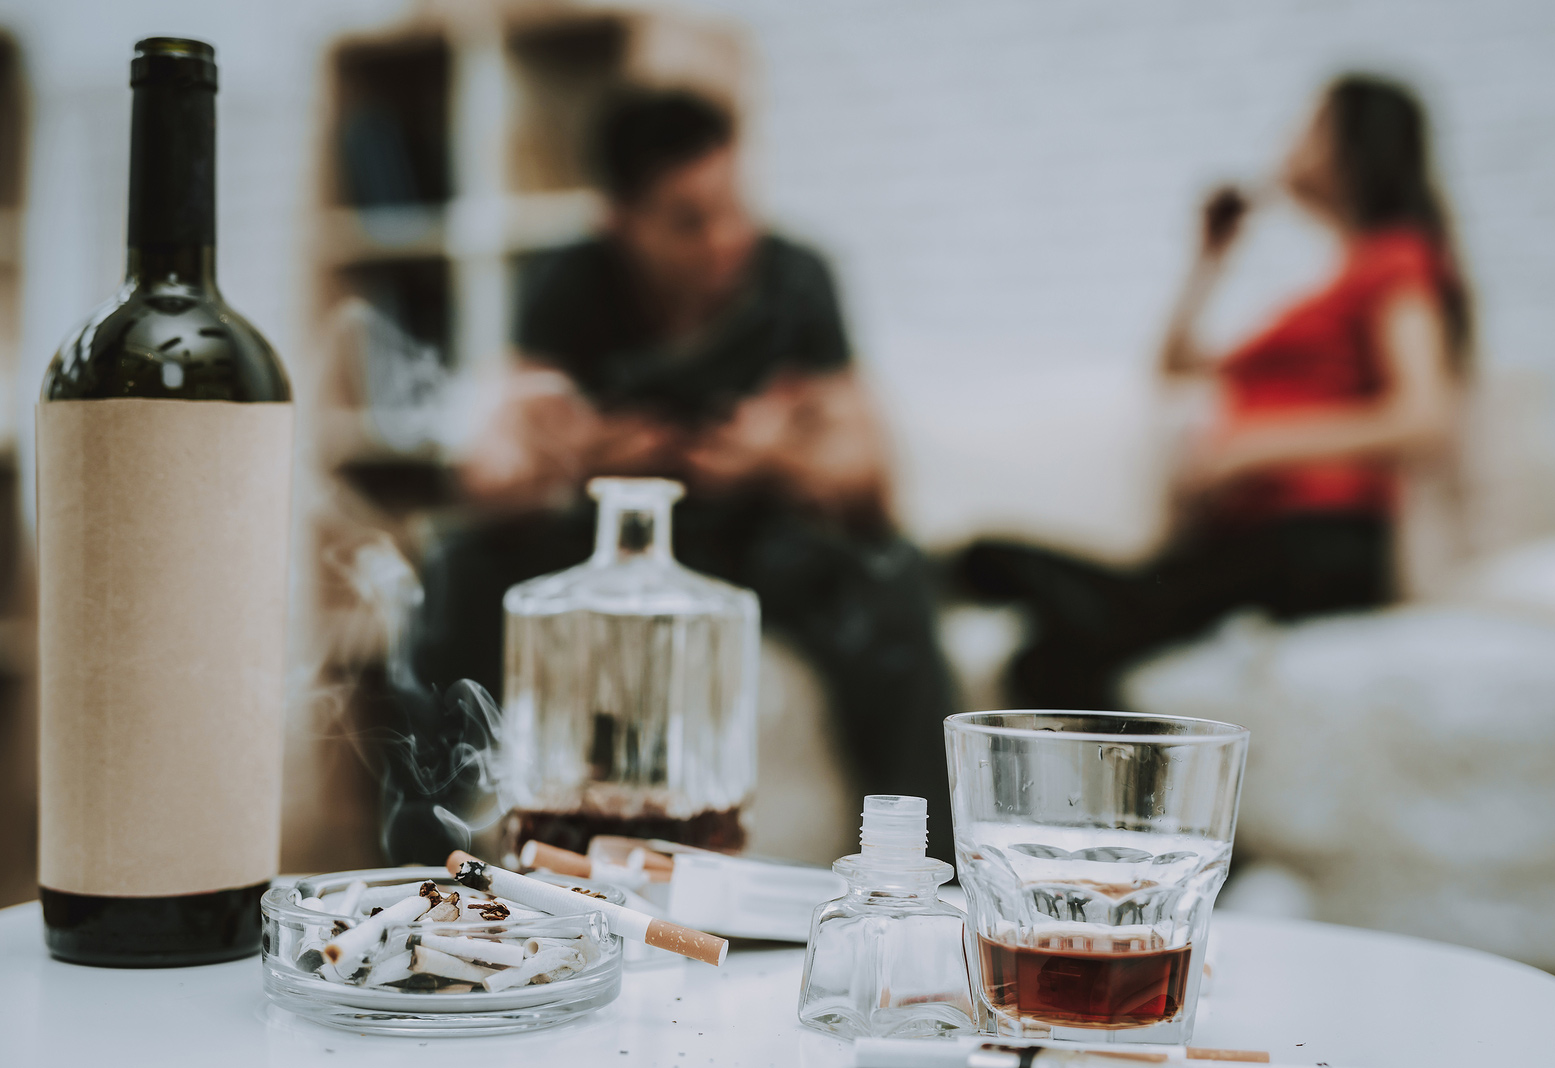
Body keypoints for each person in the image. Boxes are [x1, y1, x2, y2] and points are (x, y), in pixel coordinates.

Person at [411, 88, 957, 857]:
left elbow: (873, 482)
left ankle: (924, 878)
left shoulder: (797, 276)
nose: (725, 240)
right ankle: (415, 866)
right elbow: (489, 477)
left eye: (734, 208)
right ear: (620, 220)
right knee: (457, 566)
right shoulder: (570, 281)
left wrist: (778, 458)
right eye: (688, 222)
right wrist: (581, 458)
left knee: (890, 579)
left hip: (759, 530)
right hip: (606, 534)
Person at [961, 74, 1472, 710]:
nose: (1288, 144)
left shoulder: (1397, 259)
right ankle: (1117, 801)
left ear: (1352, 144)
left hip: (1318, 537)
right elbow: (1174, 365)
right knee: (1049, 658)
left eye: (1308, 128)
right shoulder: (1321, 295)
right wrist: (1210, 259)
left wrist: (1250, 450)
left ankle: (954, 576)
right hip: (1246, 541)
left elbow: (1425, 418)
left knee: (1000, 571)